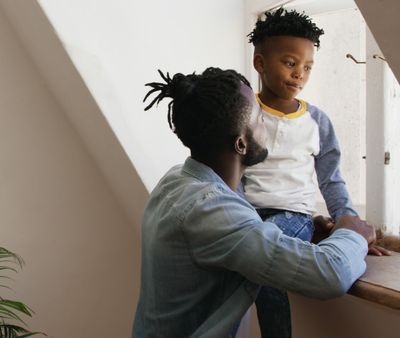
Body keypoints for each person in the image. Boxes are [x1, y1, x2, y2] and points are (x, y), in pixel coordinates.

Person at [131, 67, 375, 337]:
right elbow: (330, 274)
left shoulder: (179, 180)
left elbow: (242, 227)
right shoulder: (207, 208)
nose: (267, 123)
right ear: (241, 145)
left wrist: (303, 227)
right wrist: (354, 233)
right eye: (260, 118)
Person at [244, 8, 388, 338]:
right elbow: (232, 173)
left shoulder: (317, 122)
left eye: (307, 67)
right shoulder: (244, 111)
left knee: (268, 258)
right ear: (260, 63)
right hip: (246, 214)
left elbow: (331, 178)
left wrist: (350, 226)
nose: (299, 74)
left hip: (291, 215)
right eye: (290, 63)